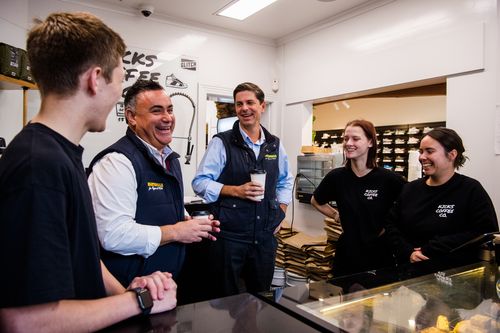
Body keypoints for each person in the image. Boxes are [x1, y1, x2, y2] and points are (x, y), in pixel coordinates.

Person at [0, 12, 177, 332]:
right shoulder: (39, 167)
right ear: (95, 79)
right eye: (120, 80)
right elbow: (24, 322)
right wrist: (139, 301)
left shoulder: (62, 155)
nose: (117, 96)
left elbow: (80, 255)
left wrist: (127, 291)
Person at [87, 79, 220, 287]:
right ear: (131, 117)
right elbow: (113, 235)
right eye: (157, 111)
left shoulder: (170, 159)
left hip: (164, 285)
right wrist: (176, 231)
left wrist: (188, 222)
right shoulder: (116, 162)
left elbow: (158, 206)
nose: (167, 118)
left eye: (170, 110)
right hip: (128, 289)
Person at [192, 82, 294, 297]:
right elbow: (200, 182)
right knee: (224, 299)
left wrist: (281, 212)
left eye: (250, 102)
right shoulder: (222, 142)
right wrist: (234, 190)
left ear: (262, 106)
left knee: (261, 298)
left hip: (265, 239)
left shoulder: (274, 144)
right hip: (230, 238)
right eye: (239, 104)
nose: (244, 108)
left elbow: (285, 181)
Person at [386, 127, 498, 265]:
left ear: (451, 155)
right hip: (411, 275)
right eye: (421, 151)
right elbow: (391, 225)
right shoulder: (410, 189)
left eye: (429, 151)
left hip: (456, 276)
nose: (422, 157)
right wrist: (408, 252)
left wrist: (433, 248)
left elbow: (485, 232)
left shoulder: (470, 189)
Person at [311, 119, 406, 277]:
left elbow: (408, 209)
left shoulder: (388, 179)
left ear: (370, 142)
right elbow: (316, 201)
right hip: (347, 251)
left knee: (377, 299)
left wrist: (389, 230)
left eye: (355, 139)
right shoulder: (337, 177)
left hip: (379, 252)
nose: (348, 143)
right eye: (346, 138)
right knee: (344, 298)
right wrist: (336, 215)